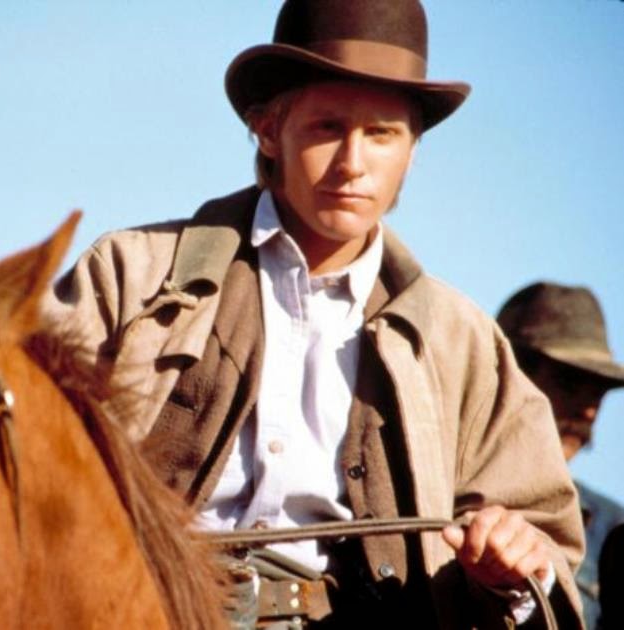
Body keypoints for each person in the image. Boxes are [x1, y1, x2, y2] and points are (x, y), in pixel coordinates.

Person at [42, 1, 584, 627]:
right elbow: (18, 450)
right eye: (328, 127)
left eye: (382, 134)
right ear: (268, 131)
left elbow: (546, 543)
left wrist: (517, 566)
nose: (353, 162)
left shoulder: (459, 342)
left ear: (412, 151)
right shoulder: (132, 275)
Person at [498, 282, 624, 629]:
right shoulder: (434, 492)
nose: (588, 411)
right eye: (569, 383)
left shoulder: (611, 531)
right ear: (511, 377)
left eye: (597, 392)